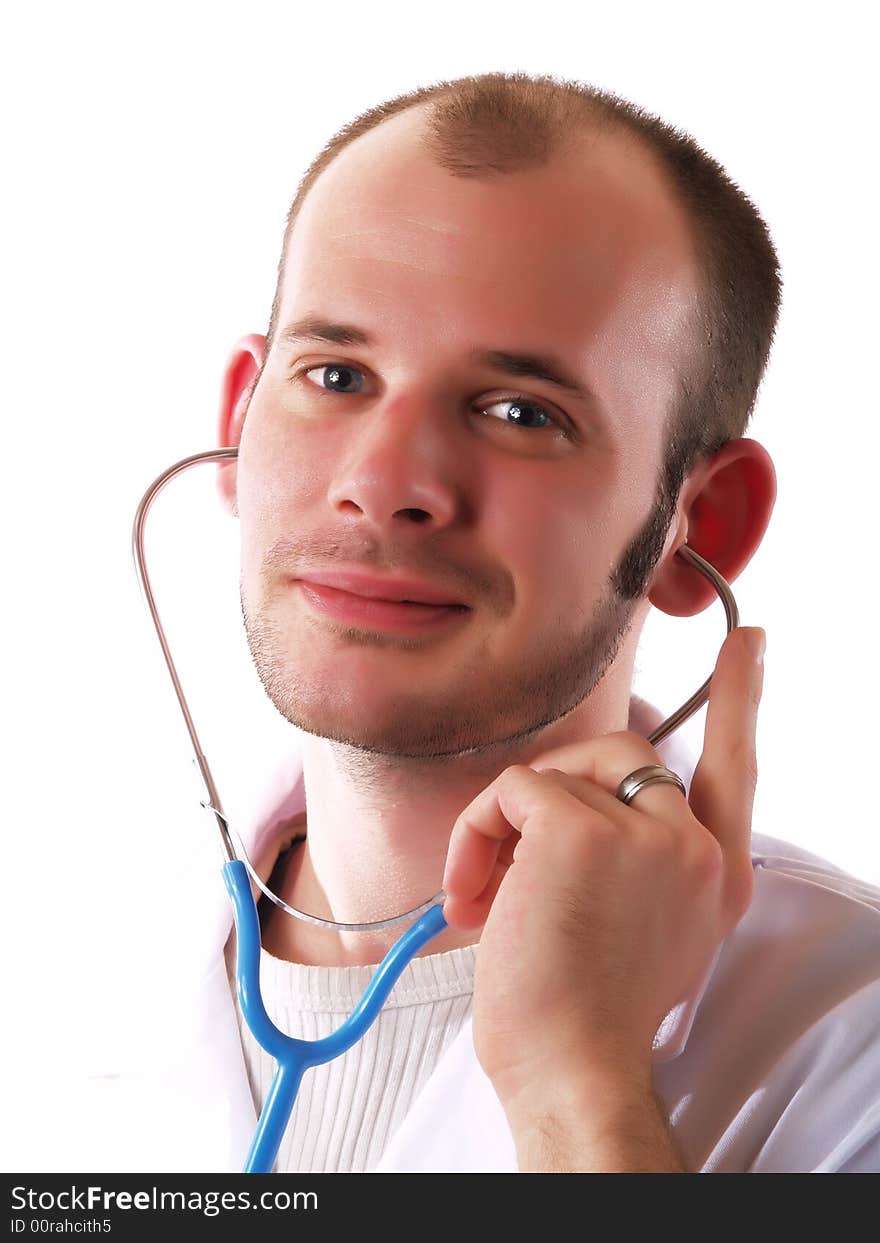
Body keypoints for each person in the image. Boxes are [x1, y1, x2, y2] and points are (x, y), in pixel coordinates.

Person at [96, 71, 880, 1174]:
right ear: (240, 419)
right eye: (335, 374)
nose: (384, 482)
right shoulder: (52, 986)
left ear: (699, 521)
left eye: (520, 412)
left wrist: (579, 1093)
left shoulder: (849, 1035)